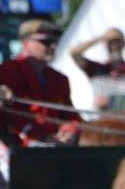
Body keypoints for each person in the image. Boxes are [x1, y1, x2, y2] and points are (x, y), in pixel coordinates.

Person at [0, 19, 81, 147]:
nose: (53, 46)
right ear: (25, 42)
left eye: (55, 42)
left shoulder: (60, 79)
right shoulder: (6, 72)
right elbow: (10, 118)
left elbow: (71, 116)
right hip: (16, 150)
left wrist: (69, 131)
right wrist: (43, 137)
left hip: (53, 150)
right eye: (46, 42)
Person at [69, 27, 125, 114]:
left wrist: (111, 102)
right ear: (104, 44)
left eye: (117, 41)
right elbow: (74, 53)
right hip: (99, 122)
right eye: (110, 42)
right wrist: (101, 38)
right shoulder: (95, 69)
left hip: (124, 123)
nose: (114, 45)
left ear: (124, 43)